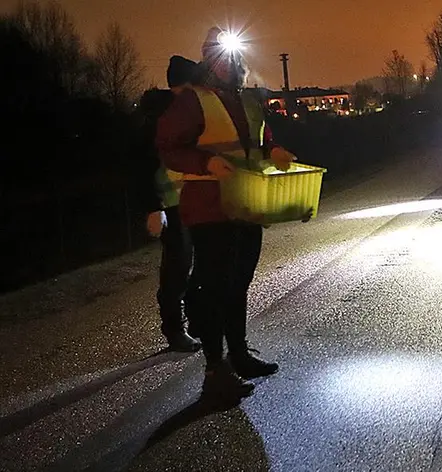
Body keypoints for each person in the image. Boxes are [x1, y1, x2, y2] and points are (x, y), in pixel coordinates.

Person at [156, 27, 297, 402]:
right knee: (215, 287)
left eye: (235, 56)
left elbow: (261, 140)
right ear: (209, 60)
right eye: (222, 57)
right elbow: (168, 147)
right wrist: (206, 162)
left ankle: (238, 354)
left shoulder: (248, 100)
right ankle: (215, 368)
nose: (231, 63)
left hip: (247, 205)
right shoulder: (193, 101)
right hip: (209, 209)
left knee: (238, 285)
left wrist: (275, 151)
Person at [137, 55, 202, 352]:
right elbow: (138, 165)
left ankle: (195, 318)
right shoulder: (159, 117)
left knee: (197, 263)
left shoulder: (183, 112)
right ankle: (175, 330)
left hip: (193, 199)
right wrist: (153, 206)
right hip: (171, 203)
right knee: (176, 268)